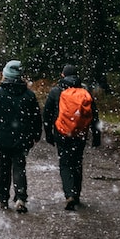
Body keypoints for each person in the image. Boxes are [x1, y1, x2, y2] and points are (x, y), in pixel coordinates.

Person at [0, 60, 42, 213]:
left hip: (3, 139)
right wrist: (36, 135)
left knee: (4, 168)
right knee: (20, 167)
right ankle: (20, 197)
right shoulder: (29, 95)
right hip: (22, 139)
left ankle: (2, 198)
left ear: (5, 75)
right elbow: (36, 118)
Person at [43, 63, 101, 211]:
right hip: (80, 134)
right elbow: (94, 115)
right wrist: (96, 135)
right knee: (77, 162)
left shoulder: (56, 91)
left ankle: (69, 193)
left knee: (65, 163)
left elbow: (47, 115)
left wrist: (48, 133)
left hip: (62, 133)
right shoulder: (84, 91)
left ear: (63, 75)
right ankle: (76, 194)